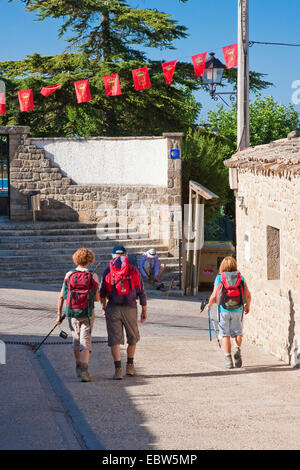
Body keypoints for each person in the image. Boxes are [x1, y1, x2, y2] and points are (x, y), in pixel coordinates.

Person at [100, 245, 147, 380]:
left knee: (115, 339)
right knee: (132, 337)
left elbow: (102, 292)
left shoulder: (108, 270)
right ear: (126, 255)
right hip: (130, 308)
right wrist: (144, 310)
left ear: (112, 255)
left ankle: (118, 370)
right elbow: (141, 291)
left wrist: (104, 307)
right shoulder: (133, 270)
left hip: (113, 307)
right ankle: (130, 366)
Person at [56, 248, 100, 382]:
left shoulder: (69, 274)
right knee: (85, 340)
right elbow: (97, 298)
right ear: (90, 260)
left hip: (72, 312)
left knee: (76, 338)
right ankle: (85, 370)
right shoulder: (93, 275)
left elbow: (61, 296)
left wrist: (59, 315)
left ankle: (78, 365)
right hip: (87, 313)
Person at [206, 256, 251, 369]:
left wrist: (209, 305)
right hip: (238, 309)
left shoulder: (219, 278)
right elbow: (248, 295)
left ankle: (229, 361)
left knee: (225, 335)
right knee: (238, 333)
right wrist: (247, 306)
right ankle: (237, 349)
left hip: (223, 310)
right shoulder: (241, 277)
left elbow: (215, 294)